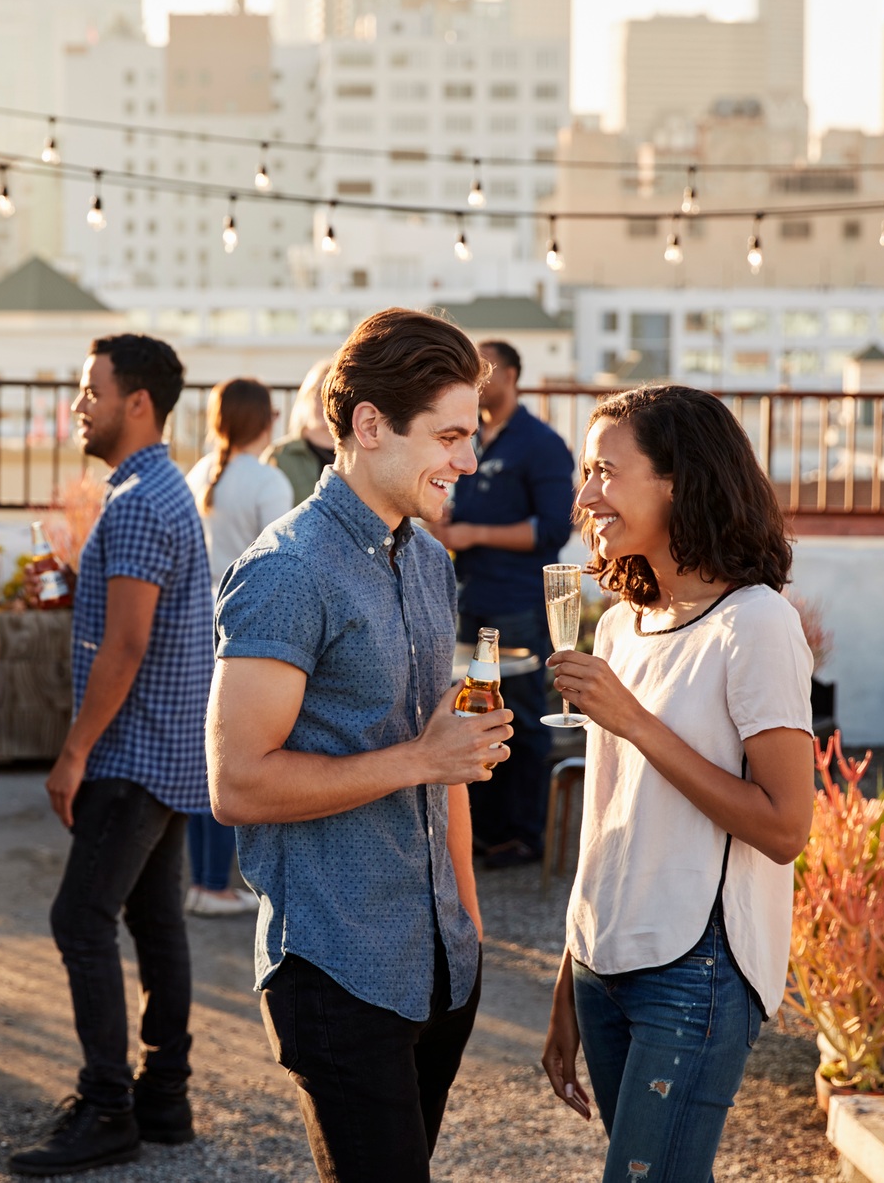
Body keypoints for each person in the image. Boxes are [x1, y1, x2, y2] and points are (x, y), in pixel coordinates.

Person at [208, 308, 514, 1183]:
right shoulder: (285, 570)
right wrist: (419, 757)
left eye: (473, 435)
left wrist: (469, 919)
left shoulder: (426, 559)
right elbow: (236, 783)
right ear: (370, 425)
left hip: (442, 960)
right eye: (450, 435)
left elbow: (443, 751)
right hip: (337, 969)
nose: (468, 460)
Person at [537, 384, 815, 1183]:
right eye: (587, 472)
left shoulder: (756, 623)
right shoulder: (622, 621)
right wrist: (570, 967)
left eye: (605, 471)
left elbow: (785, 826)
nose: (586, 494)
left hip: (695, 966)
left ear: (679, 481)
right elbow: (610, 813)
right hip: (605, 959)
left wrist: (634, 719)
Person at [8, 334, 214, 1177]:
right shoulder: (163, 487)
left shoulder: (135, 502)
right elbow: (137, 618)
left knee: (79, 918)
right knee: (154, 918)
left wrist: (72, 753)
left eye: (88, 389)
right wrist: (73, 582)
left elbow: (125, 647)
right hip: (169, 747)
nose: (76, 405)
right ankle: (164, 1096)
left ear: (136, 402)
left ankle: (107, 1107)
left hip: (131, 753)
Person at [429, 339, 575, 870]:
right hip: (466, 599)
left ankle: (523, 835)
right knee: (473, 715)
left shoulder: (540, 444)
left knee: (523, 719)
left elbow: (553, 529)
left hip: (515, 601)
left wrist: (472, 533)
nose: (476, 378)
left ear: (512, 375)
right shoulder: (471, 438)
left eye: (485, 369)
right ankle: (483, 833)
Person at [181, 377, 292, 918]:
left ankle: (203, 881)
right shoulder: (267, 482)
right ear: (267, 419)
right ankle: (219, 884)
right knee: (248, 757)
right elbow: (282, 563)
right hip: (250, 629)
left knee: (211, 755)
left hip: (197, 621)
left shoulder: (199, 472)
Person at [263, 357, 334, 503]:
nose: (324, 402)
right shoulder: (279, 455)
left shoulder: (360, 455)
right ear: (306, 396)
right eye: (318, 393)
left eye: (333, 394)